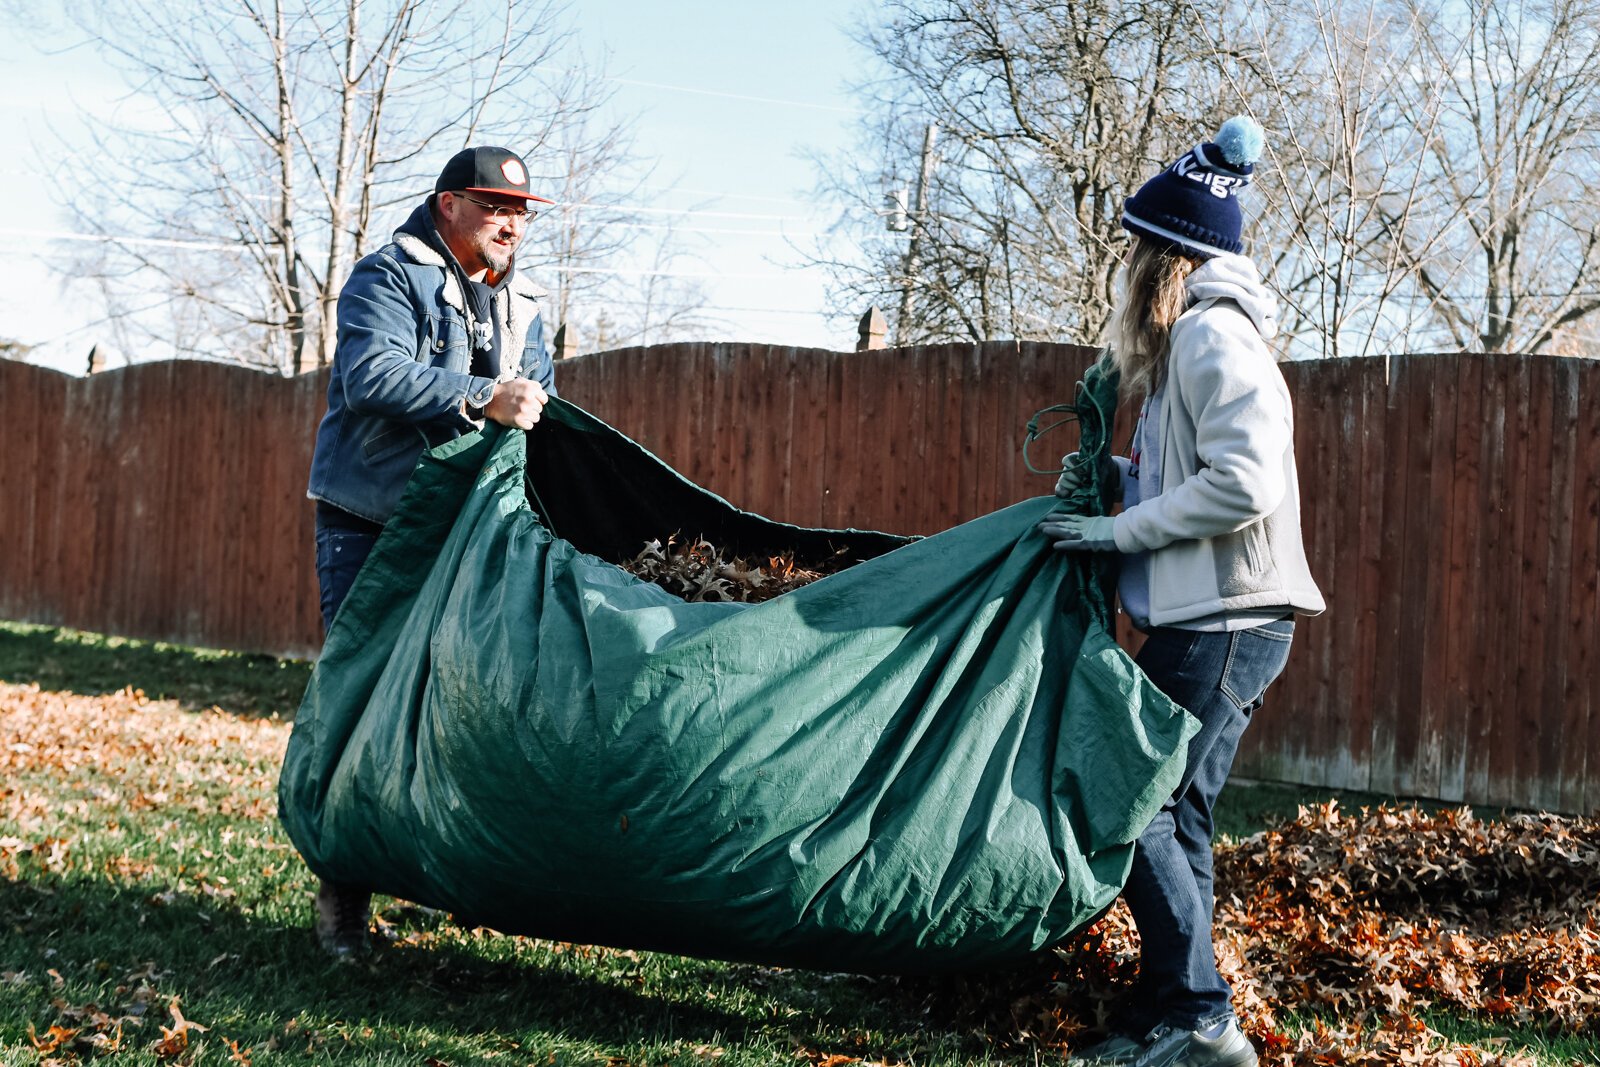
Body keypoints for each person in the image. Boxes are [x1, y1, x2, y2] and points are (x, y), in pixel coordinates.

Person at [1039, 117, 1325, 1067]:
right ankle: (1178, 1009)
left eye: (1137, 255)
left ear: (1168, 260)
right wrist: (1114, 479)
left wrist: (1117, 533)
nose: (1127, 275)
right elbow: (1189, 475)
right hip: (1225, 619)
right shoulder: (1191, 349)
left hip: (1223, 622)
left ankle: (1199, 1012)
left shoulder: (1211, 338)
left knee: (1136, 800)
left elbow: (1248, 482)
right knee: (1183, 812)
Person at [303, 145, 558, 958]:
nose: (509, 222)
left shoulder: (525, 307)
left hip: (466, 530)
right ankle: (342, 905)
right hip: (372, 522)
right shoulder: (389, 274)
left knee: (458, 703)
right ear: (447, 204)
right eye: (493, 206)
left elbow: (541, 411)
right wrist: (482, 394)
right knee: (360, 704)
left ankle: (448, 875)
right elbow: (371, 373)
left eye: (519, 211)